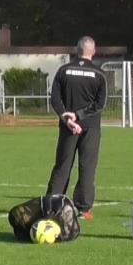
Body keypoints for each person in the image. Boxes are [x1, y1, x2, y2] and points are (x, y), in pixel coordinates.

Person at [46, 36, 107, 220]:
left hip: (68, 127)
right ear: (93, 52)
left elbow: (55, 98)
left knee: (62, 166)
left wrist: (67, 118)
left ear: (77, 50)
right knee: (87, 167)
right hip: (90, 126)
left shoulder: (63, 70)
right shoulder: (99, 74)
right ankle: (83, 208)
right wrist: (79, 116)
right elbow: (100, 104)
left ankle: (52, 205)